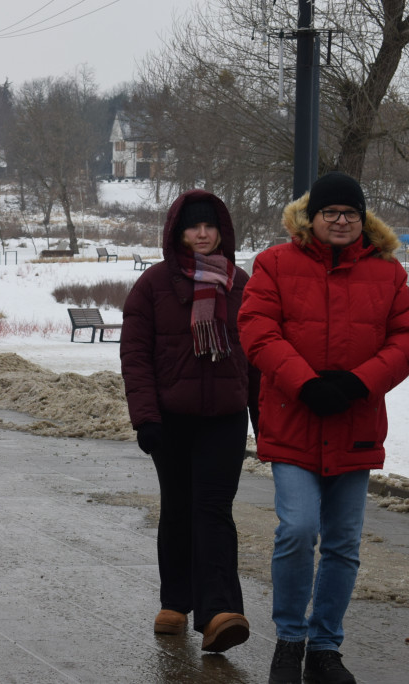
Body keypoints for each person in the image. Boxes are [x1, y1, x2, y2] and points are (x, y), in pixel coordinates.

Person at [238, 172, 409, 684]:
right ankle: (289, 640)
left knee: (343, 543)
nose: (341, 221)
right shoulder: (274, 264)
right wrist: (305, 383)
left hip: (354, 422)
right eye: (331, 212)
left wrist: (361, 382)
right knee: (298, 530)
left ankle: (325, 647)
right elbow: (256, 329)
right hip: (294, 420)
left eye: (351, 213)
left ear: (363, 220)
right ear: (312, 216)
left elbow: (408, 337)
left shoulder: (387, 273)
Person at [120, 190, 258, 654]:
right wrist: (145, 417)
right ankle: (175, 603)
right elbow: (135, 355)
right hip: (170, 419)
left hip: (225, 417)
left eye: (209, 226)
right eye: (193, 226)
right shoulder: (154, 284)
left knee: (214, 510)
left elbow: (257, 357)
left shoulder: (241, 285)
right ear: (177, 233)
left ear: (222, 231)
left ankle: (219, 612)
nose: (202, 234)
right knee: (178, 508)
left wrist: (265, 422)